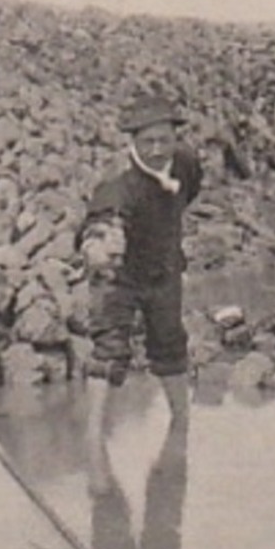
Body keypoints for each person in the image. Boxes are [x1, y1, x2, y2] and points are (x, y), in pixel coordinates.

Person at [79, 95, 204, 457]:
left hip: (164, 269)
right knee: (109, 349)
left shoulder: (185, 163)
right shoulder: (118, 184)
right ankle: (93, 435)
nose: (156, 150)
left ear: (175, 138)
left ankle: (182, 422)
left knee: (170, 344)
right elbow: (99, 224)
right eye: (147, 142)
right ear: (132, 142)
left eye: (164, 140)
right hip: (119, 275)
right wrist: (99, 246)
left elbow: (189, 193)